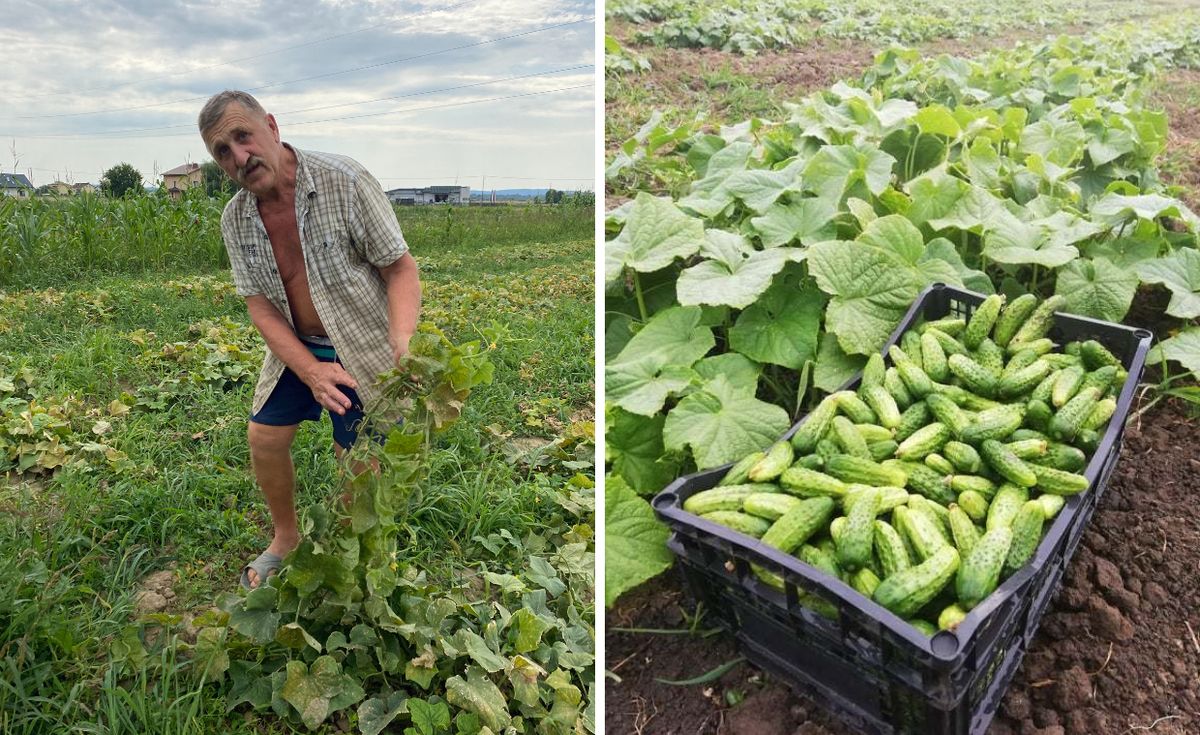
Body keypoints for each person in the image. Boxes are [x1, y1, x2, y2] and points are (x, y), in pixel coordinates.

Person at [197, 90, 421, 589]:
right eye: (222, 152)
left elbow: (400, 268)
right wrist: (310, 370)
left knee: (357, 461)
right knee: (264, 437)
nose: (239, 157)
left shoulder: (344, 181)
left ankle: (350, 547)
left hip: (362, 341)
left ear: (272, 127)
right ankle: (286, 538)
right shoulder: (236, 219)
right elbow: (260, 305)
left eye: (242, 136)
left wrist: (402, 339)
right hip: (298, 349)